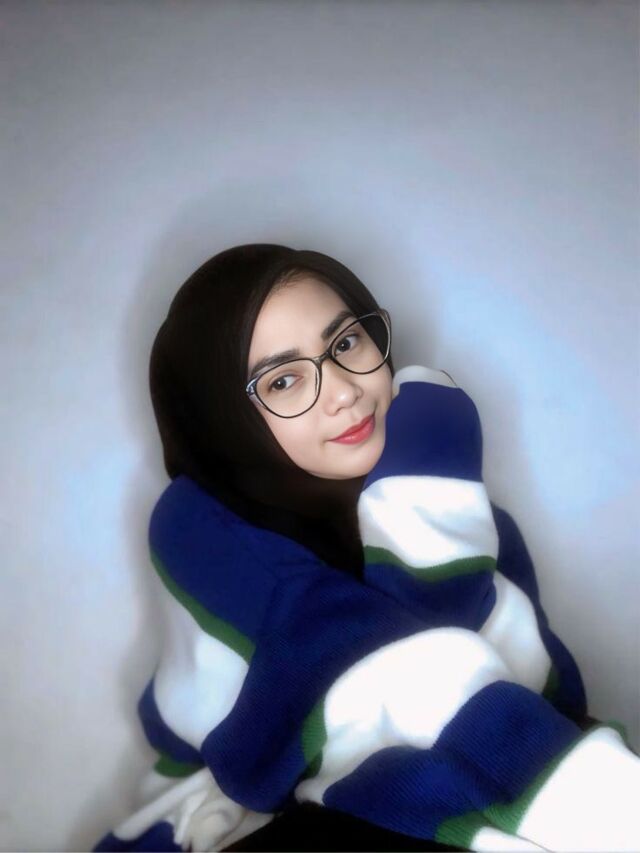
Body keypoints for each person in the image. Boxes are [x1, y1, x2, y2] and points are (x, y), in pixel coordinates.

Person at [93, 244, 639, 852]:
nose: (343, 392)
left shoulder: (452, 506)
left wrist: (429, 472)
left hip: (439, 755)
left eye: (346, 343)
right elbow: (377, 674)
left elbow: (543, 693)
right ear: (224, 418)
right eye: (284, 380)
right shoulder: (198, 528)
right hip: (254, 804)